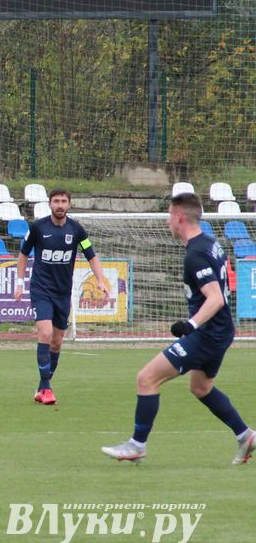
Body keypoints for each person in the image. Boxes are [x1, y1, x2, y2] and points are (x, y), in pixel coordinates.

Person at [102, 193, 255, 465]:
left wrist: (191, 324)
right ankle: (246, 436)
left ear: (179, 217)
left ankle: (136, 445)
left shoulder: (195, 254)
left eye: (169, 217)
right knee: (201, 388)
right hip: (221, 331)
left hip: (206, 334)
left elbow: (216, 298)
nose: (167, 223)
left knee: (146, 379)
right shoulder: (210, 243)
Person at [13, 188, 108, 405]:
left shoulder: (77, 230)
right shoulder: (38, 228)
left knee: (56, 342)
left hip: (63, 292)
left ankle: (42, 386)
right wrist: (19, 283)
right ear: (49, 204)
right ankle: (47, 389)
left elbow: (91, 255)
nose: (60, 205)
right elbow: (23, 255)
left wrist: (100, 280)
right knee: (44, 333)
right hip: (41, 290)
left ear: (69, 204)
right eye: (56, 201)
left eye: (64, 201)